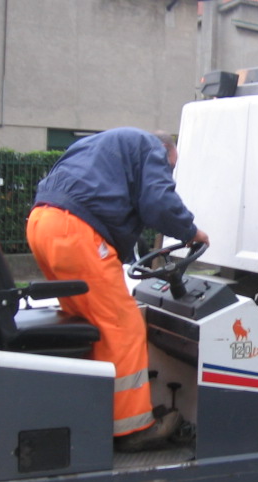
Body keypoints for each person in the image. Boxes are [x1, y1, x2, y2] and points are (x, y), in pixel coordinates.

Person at [27, 127, 209, 452]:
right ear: (166, 151)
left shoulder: (101, 145)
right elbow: (159, 202)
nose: (168, 172)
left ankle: (98, 411)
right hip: (77, 230)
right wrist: (191, 231)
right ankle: (132, 429)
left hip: (43, 223)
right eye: (170, 167)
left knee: (91, 324)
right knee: (123, 325)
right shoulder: (150, 146)